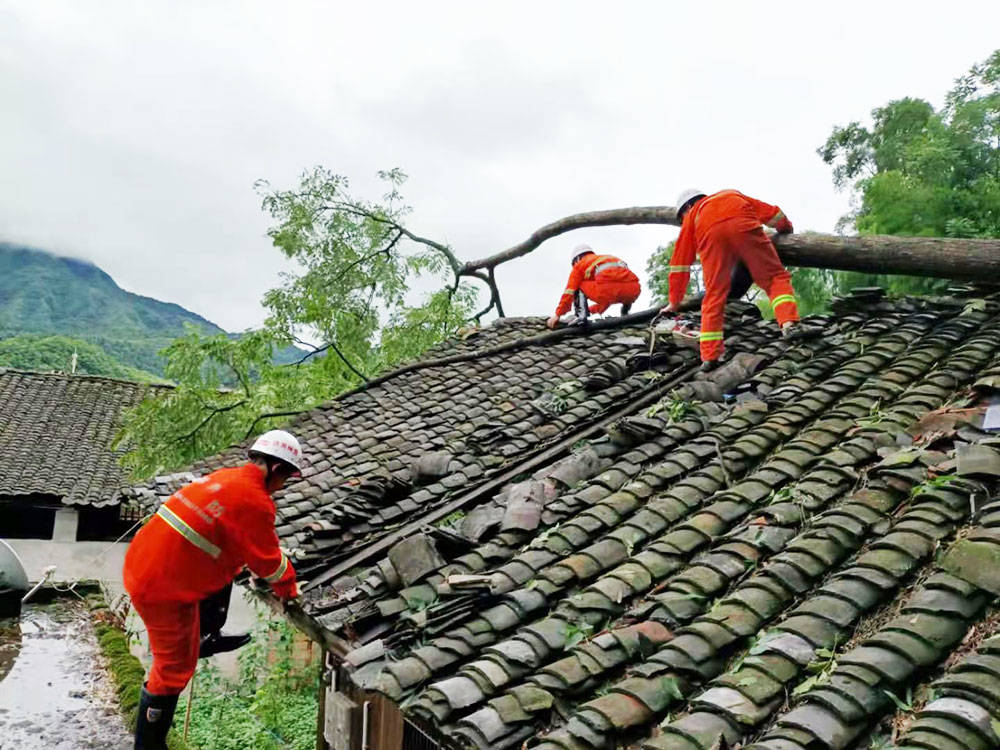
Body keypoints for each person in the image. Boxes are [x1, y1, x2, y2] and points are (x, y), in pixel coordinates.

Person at [123, 429, 304, 749]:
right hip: (161, 588)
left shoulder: (226, 478)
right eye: (286, 477)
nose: (283, 486)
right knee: (172, 670)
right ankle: (148, 745)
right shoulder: (255, 502)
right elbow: (268, 563)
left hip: (147, 563)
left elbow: (235, 546)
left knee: (229, 564)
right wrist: (289, 589)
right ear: (277, 470)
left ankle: (207, 635)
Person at [661, 188, 805, 370]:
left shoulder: (693, 216)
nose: (683, 222)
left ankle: (709, 357)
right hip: (745, 229)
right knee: (774, 278)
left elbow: (679, 265)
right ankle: (789, 324)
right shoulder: (731, 194)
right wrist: (785, 227)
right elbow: (772, 214)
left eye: (682, 218)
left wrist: (674, 302)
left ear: (688, 206)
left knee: (714, 296)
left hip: (712, 240)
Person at [547, 245, 641, 329]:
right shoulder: (607, 258)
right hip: (633, 291)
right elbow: (611, 290)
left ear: (577, 259)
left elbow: (569, 291)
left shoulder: (580, 265)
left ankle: (581, 317)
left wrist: (558, 314)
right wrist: (591, 310)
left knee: (578, 285)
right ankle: (625, 313)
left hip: (608, 290)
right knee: (625, 284)